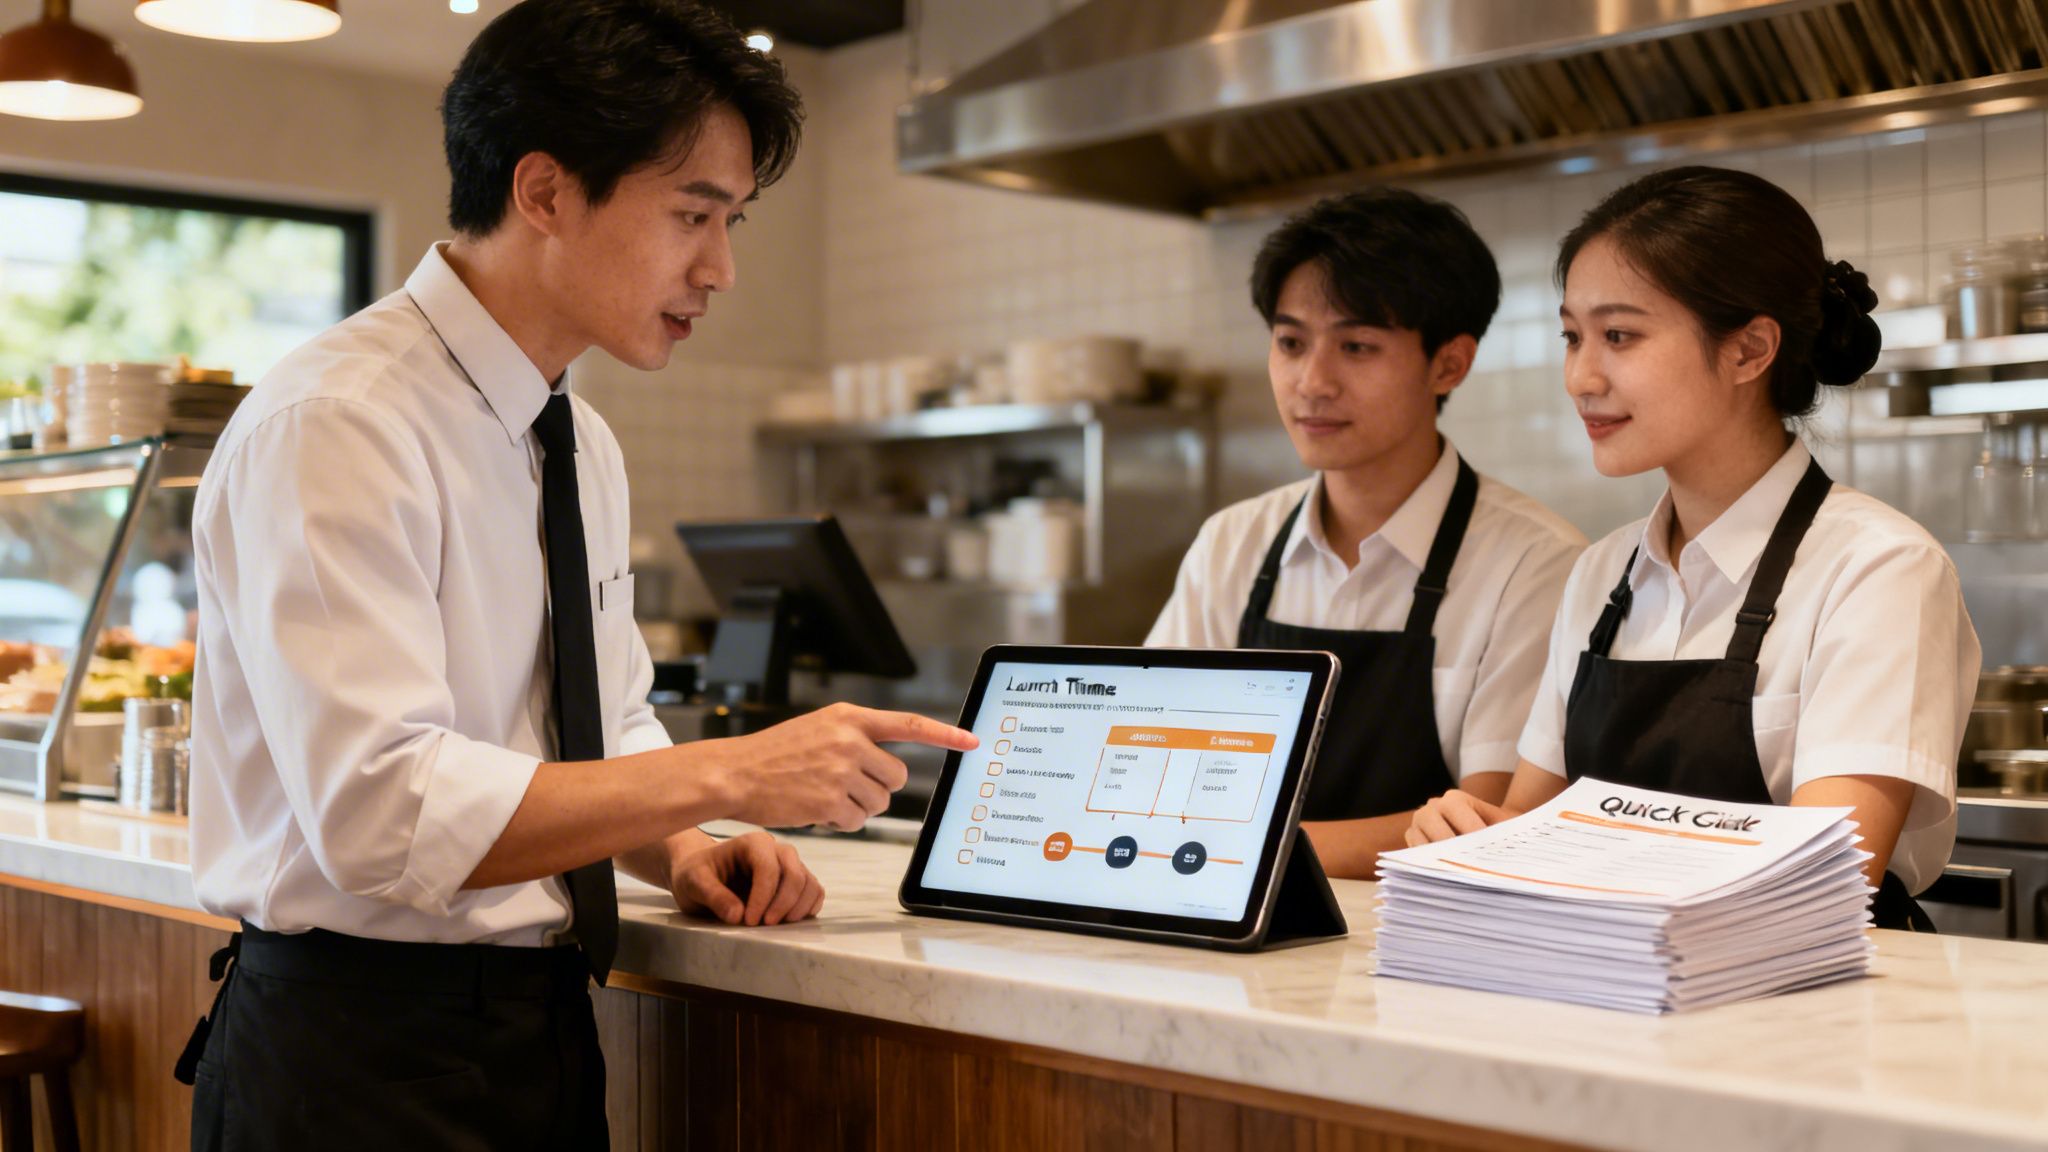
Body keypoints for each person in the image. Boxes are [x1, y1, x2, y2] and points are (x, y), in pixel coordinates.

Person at [179, 3, 975, 1148]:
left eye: (732, 220)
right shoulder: (341, 421)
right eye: (693, 214)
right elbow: (380, 813)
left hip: (539, 1030)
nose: (722, 268)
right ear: (545, 192)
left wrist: (687, 850)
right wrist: (725, 775)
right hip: (353, 1056)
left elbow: (596, 731)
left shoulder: (574, 437)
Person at [1406, 166, 1980, 932]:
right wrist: (1472, 837)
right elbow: (1528, 827)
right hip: (1617, 997)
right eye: (1573, 336)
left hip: (1804, 1016)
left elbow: (1824, 880)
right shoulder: (1600, 575)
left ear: (1749, 350)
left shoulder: (1877, 570)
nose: (1580, 376)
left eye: (1619, 336)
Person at [1146, 188, 1585, 879]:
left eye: (1356, 345)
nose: (1312, 383)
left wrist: (1231, 851)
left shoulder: (1535, 564)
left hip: (1417, 944)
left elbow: (1484, 818)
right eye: (1290, 343)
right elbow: (1150, 764)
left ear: (1450, 363)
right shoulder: (1232, 544)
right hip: (1217, 930)